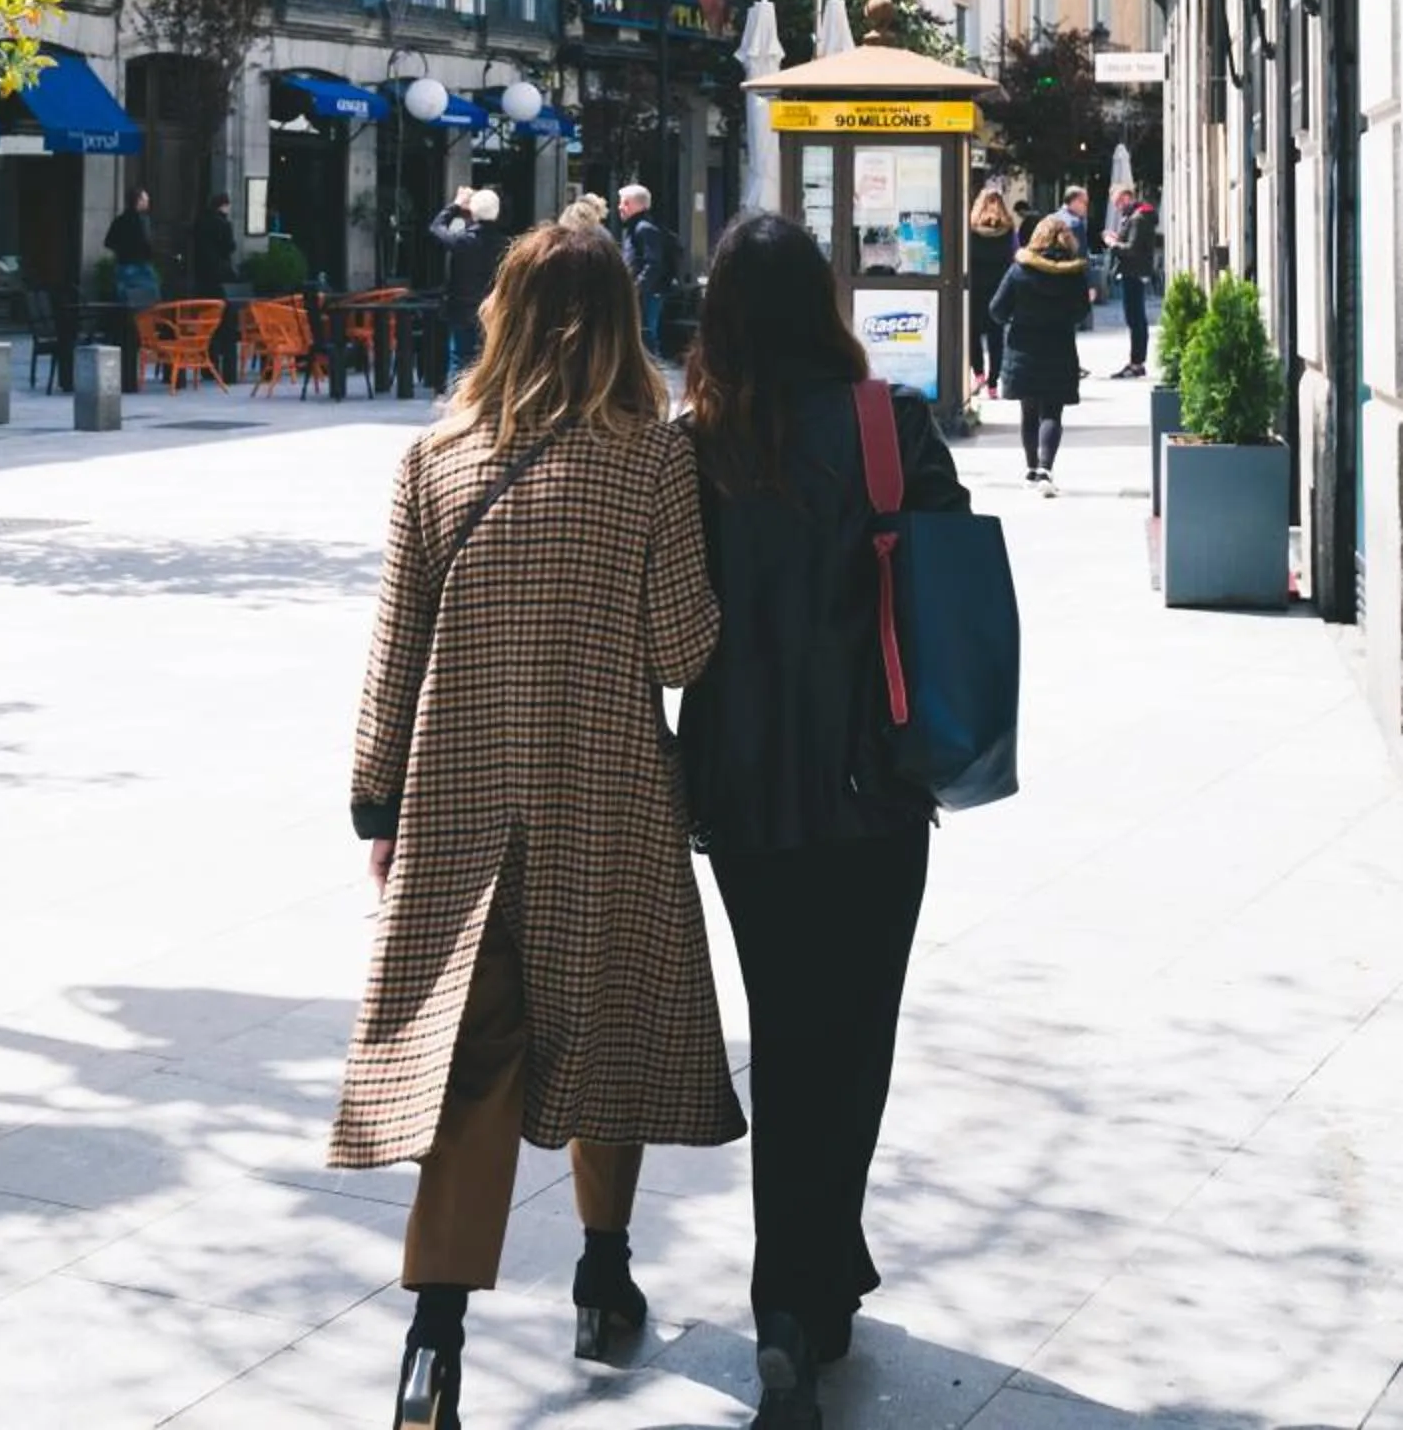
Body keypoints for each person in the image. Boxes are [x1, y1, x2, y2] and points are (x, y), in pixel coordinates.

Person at [331, 222, 741, 1430]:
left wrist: (376, 799)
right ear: (621, 320)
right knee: (604, 1033)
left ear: (498, 315)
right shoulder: (650, 461)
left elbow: (393, 646)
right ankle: (602, 1281)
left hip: (458, 804)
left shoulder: (434, 456)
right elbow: (680, 648)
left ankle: (432, 1344)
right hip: (604, 797)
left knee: (468, 1065)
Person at [677, 212, 968, 1419]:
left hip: (743, 791)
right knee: (856, 1035)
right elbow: (953, 586)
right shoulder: (888, 423)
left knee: (786, 1032)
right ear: (826, 302)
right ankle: (813, 1282)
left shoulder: (691, 445)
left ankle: (791, 1296)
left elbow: (668, 623)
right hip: (875, 784)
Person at [991, 212, 1088, 492]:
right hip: (1059, 348)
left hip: (1023, 348)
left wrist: (1015, 319)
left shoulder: (1019, 270)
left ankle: (1031, 470)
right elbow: (1082, 311)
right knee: (1052, 412)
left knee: (1029, 411)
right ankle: (1046, 469)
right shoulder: (1073, 274)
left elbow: (996, 310)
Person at [428, 185, 508, 373]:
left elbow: (436, 227)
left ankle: (458, 400)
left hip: (461, 310)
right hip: (492, 311)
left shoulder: (462, 241)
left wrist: (456, 205)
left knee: (459, 359)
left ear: (472, 212)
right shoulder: (506, 246)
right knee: (489, 362)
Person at [967, 184, 1018, 394]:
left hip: (975, 289)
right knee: (996, 337)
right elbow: (1016, 255)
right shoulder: (1009, 230)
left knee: (973, 335)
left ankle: (978, 375)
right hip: (999, 289)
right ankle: (993, 384)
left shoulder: (970, 230)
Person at [618, 181, 676, 354]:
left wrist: (636, 288)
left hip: (648, 293)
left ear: (632, 204)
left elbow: (653, 263)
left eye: (624, 202)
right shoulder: (636, 227)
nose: (620, 207)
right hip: (644, 292)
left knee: (646, 334)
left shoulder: (644, 229)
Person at [1110, 191, 1157, 378]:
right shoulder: (1136, 217)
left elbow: (1132, 249)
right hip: (1134, 272)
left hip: (1133, 273)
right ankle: (1136, 361)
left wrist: (1113, 244)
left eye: (1119, 203)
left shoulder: (1138, 218)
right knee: (1135, 318)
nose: (1117, 207)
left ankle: (1137, 363)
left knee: (1135, 318)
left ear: (1127, 198)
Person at [104, 187, 160, 306]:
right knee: (148, 303)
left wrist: (122, 250)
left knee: (127, 304)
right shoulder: (143, 220)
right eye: (146, 200)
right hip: (141, 267)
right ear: (138, 201)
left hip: (123, 266)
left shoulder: (119, 220)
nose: (148, 202)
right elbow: (147, 242)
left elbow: (108, 242)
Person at [191, 190, 238, 295]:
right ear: (223, 205)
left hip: (201, 267)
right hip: (219, 269)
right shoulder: (224, 224)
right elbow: (228, 247)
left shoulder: (200, 220)